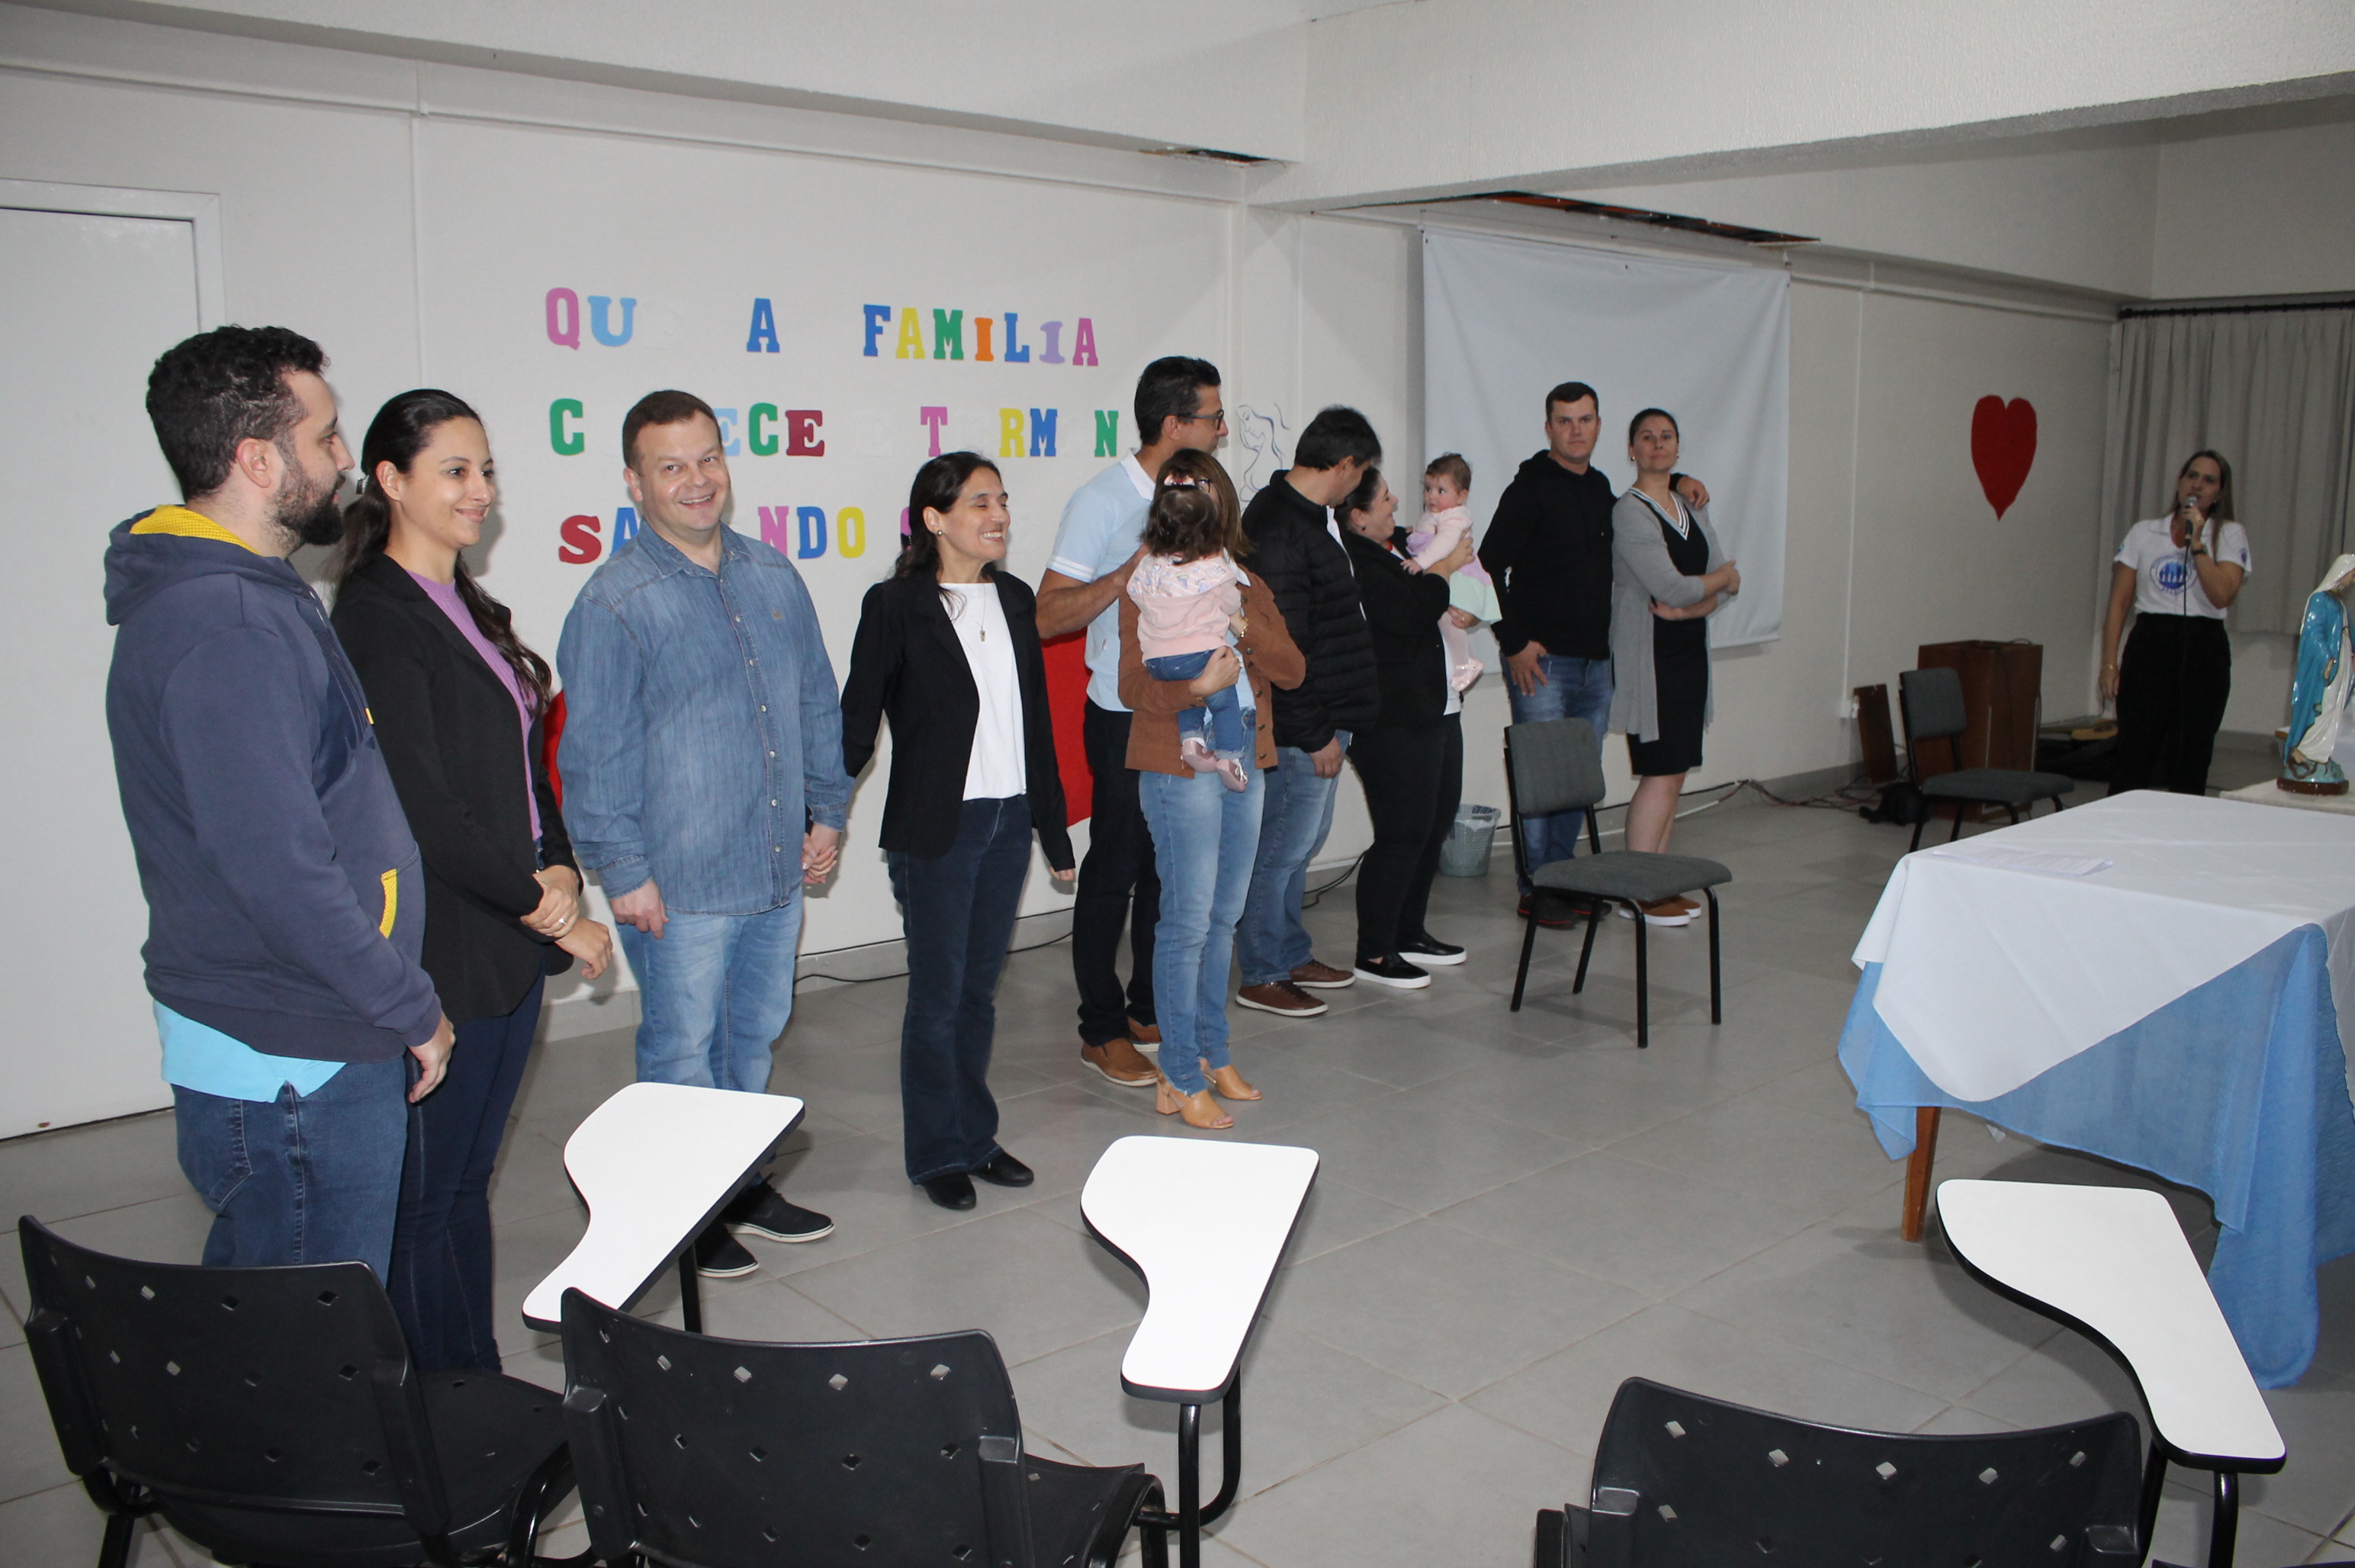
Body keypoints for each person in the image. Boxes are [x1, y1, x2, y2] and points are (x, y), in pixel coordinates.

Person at [107, 326, 453, 1277]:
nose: (345, 460)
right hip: (295, 1051)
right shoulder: (228, 624)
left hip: (303, 1032)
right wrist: (409, 1005)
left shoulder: (250, 592)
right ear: (259, 460)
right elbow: (278, 871)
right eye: (326, 437)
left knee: (267, 1320)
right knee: (309, 1340)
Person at [329, 389, 614, 1370]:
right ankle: (441, 1402)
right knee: (425, 1198)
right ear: (390, 480)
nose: (479, 490)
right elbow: (426, 807)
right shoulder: (376, 617)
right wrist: (552, 913)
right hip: (447, 941)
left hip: (506, 934)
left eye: (485, 469)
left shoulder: (470, 604)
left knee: (463, 1184)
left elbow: (529, 769)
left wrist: (561, 863)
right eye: (454, 470)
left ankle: (474, 1382)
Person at [557, 389, 848, 1277]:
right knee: (681, 1049)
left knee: (752, 1036)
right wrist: (622, 870)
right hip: (677, 883)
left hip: (773, 867)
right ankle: (681, 1211)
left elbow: (814, 700)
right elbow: (593, 753)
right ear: (634, 482)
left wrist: (828, 809)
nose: (696, 480)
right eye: (671, 466)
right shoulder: (614, 601)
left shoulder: (772, 574)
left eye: (708, 458)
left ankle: (737, 1184)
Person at [841, 454, 1074, 1210]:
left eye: (1001, 500)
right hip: (938, 828)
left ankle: (975, 1138)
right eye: (979, 502)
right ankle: (935, 1152)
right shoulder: (896, 605)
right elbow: (858, 720)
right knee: (938, 997)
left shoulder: (1014, 597)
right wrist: (822, 813)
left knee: (978, 994)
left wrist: (1053, 831)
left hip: (1008, 819)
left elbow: (1035, 722)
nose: (998, 514)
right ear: (934, 519)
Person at [1037, 357, 1227, 1088]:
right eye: (1213, 418)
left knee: (1165, 867)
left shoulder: (1203, 491)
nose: (1221, 430)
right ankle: (1101, 1027)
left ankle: (1149, 1007)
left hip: (1189, 707)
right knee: (1115, 867)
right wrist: (1125, 575)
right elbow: (1048, 613)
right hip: (1122, 712)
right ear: (1174, 424)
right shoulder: (1103, 500)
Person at [1118, 451, 1305, 1126]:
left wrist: (1239, 626)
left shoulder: (1241, 581)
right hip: (1178, 767)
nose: (1195, 501)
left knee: (1224, 918)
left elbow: (1293, 670)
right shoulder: (1147, 580)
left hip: (1245, 757)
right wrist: (1195, 687)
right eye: (1181, 491)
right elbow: (1132, 686)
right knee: (1187, 923)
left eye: (1204, 490)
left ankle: (1212, 1053)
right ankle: (1176, 1072)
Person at [1480, 384, 1707, 923]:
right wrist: (1514, 643)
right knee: (1542, 778)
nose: (1576, 430)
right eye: (1565, 421)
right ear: (1549, 428)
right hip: (1542, 664)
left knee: (1575, 776)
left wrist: (1677, 481)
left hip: (1597, 662)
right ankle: (1538, 888)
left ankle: (1564, 880)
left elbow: (1640, 505)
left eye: (1585, 420)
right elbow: (1487, 566)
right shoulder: (1529, 489)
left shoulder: (1600, 487)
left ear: (1599, 427)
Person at [1232, 406, 1383, 1020]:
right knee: (1280, 848)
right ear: (1344, 464)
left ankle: (1289, 952)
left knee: (1300, 843)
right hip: (1301, 725)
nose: (1362, 485)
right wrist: (1316, 732)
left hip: (1326, 712)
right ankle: (1263, 972)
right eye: (1362, 472)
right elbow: (1281, 649)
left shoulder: (1310, 517)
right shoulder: (1278, 528)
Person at [1336, 468, 1476, 987]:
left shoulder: (1399, 544)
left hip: (1437, 705)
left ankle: (1409, 931)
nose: (1396, 501)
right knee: (1402, 832)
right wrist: (1446, 569)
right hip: (1394, 718)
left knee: (1434, 824)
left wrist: (1460, 594)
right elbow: (1409, 612)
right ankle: (1374, 951)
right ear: (1357, 517)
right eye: (1384, 498)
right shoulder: (1359, 561)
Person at [1608, 409, 1743, 925]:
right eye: (1647, 437)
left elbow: (1720, 585)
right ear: (1632, 449)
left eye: (1666, 437)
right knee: (1659, 774)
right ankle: (1637, 894)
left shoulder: (1691, 503)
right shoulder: (1630, 512)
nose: (1657, 444)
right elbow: (1673, 585)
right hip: (1651, 660)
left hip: (1687, 652)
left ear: (1678, 448)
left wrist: (1692, 608)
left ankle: (1658, 886)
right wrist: (1716, 582)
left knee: (1675, 774)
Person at [2101, 450, 2250, 797]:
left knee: (2192, 755)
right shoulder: (2144, 532)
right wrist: (2109, 663)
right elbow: (2119, 603)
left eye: (2209, 480)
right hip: (2151, 643)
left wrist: (2197, 543)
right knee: (2134, 753)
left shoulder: (2230, 534)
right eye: (2192, 476)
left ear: (2219, 493)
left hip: (2203, 647)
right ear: (2180, 482)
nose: (2197, 485)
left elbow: (2222, 595)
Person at [1128, 471, 1252, 792]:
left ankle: (1192, 741)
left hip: (1157, 660)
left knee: (1186, 694)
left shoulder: (1148, 567)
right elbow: (1231, 601)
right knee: (1224, 702)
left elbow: (1133, 593)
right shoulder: (1212, 569)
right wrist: (1235, 613)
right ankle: (1230, 757)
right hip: (1201, 654)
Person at [1410, 454, 1489, 693]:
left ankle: (1465, 662)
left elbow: (1443, 545)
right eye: (1428, 489)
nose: (1431, 496)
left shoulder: (1455, 517)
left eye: (1441, 491)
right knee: (1445, 617)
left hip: (1459, 576)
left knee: (1449, 618)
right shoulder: (1436, 515)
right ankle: (1463, 661)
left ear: (1461, 496)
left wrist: (1420, 562)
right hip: (1446, 573)